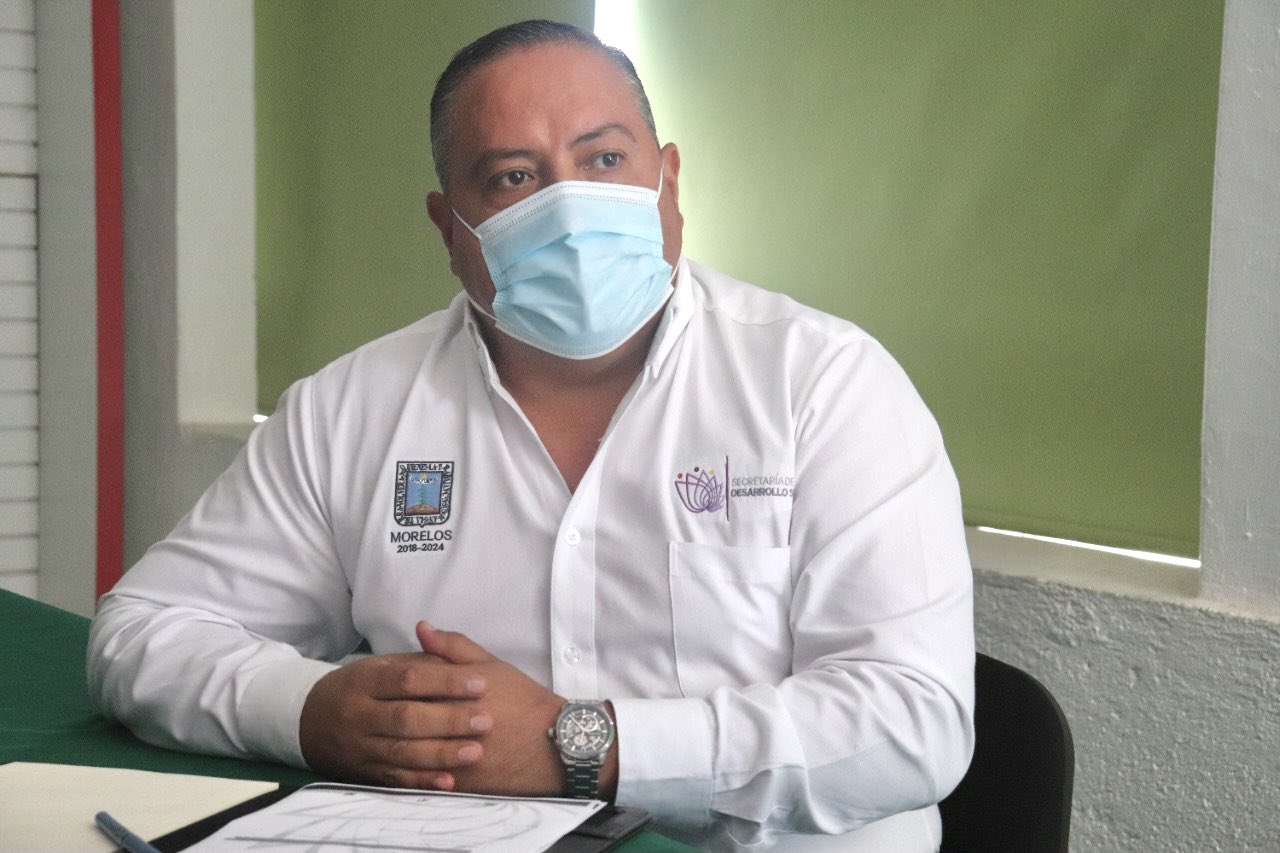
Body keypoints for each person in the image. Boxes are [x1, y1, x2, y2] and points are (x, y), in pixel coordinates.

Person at [89, 19, 974, 852]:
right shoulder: (352, 408)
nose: (572, 207)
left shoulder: (823, 383)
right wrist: (311, 710)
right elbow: (142, 631)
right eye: (514, 177)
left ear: (669, 179)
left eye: (604, 159)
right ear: (450, 227)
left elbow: (914, 720)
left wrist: (580, 744)